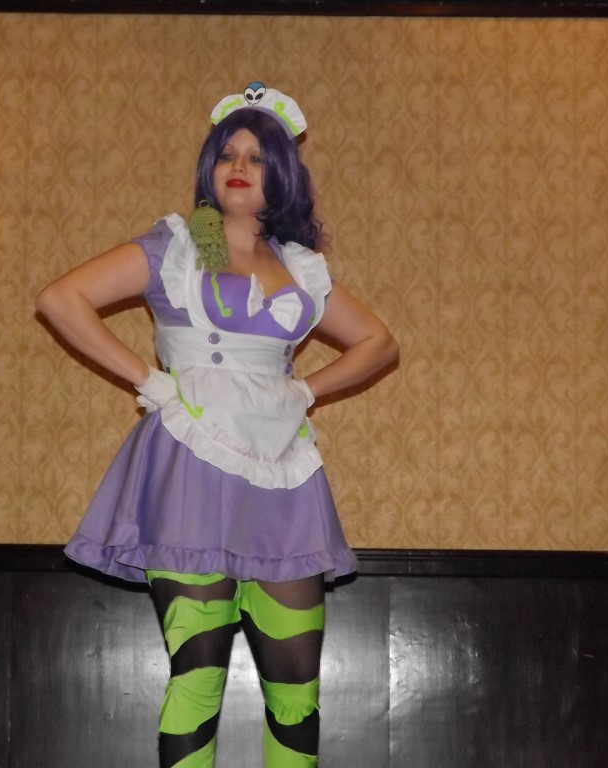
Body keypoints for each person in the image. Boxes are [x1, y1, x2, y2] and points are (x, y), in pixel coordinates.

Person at [35, 83, 398, 768]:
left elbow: (379, 342)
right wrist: (149, 381)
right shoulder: (184, 243)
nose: (238, 166)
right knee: (198, 671)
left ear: (281, 174)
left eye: (257, 158)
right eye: (227, 154)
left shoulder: (297, 264)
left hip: (281, 473)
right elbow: (62, 298)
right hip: (190, 464)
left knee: (296, 684)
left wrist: (305, 391)